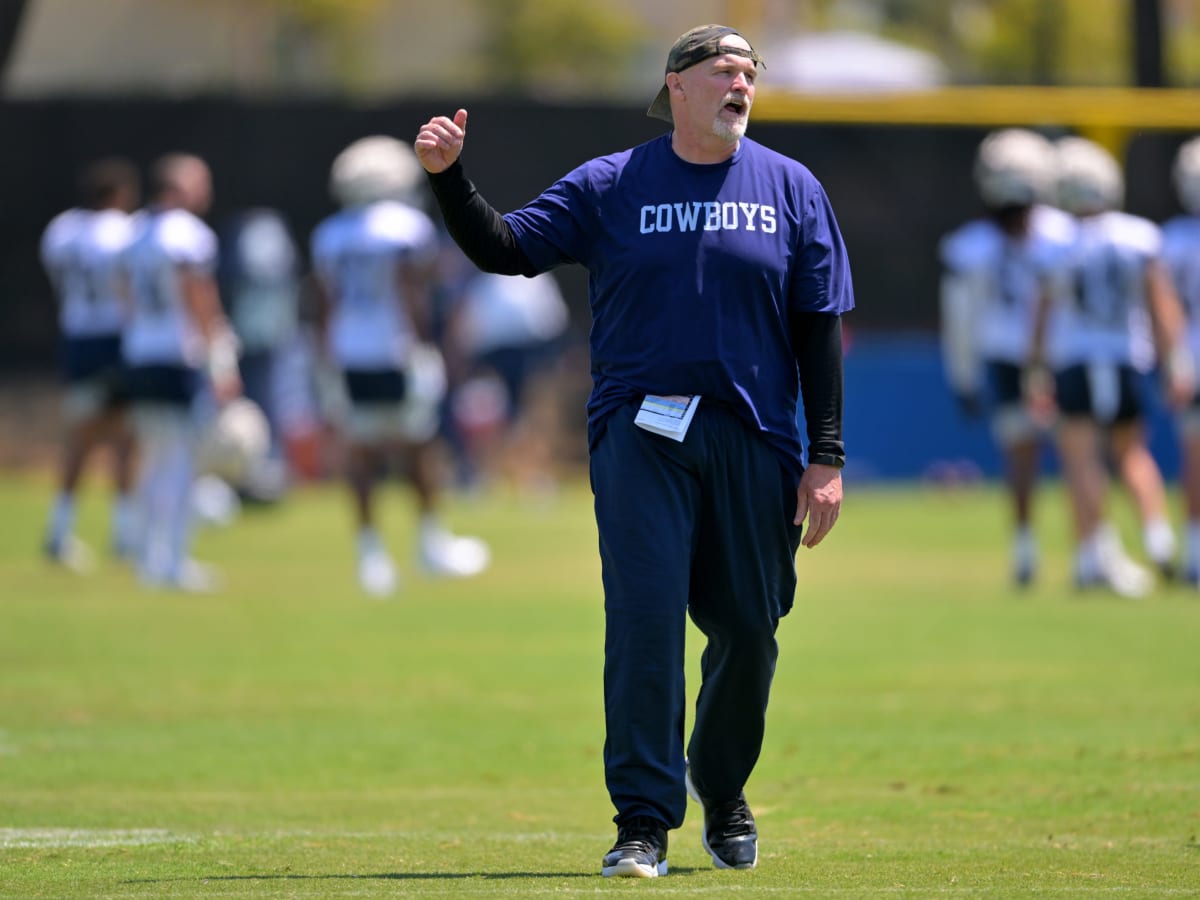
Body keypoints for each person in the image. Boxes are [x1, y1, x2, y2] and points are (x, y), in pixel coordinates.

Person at [416, 23, 853, 878]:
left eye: (749, 72)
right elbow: (508, 248)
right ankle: (644, 821)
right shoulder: (613, 183)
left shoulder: (792, 188)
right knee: (645, 620)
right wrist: (448, 179)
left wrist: (826, 455)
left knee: (748, 629)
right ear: (677, 86)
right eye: (724, 70)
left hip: (755, 436)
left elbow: (817, 328)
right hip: (639, 431)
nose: (741, 84)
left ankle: (722, 788)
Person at [310, 135, 490, 598]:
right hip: (396, 349)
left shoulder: (329, 234)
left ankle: (370, 554)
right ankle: (431, 544)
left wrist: (326, 354)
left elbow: (325, 302)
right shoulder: (405, 227)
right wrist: (428, 344)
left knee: (362, 451)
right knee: (420, 448)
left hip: (349, 351)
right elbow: (412, 291)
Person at [1031, 136, 1193, 597]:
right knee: (1131, 452)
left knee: (1080, 459)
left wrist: (1035, 371)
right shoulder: (1138, 236)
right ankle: (1157, 533)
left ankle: (1091, 554)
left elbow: (1041, 315)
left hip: (1076, 359)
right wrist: (1176, 363)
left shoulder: (1055, 241)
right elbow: (1162, 307)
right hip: (1124, 357)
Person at [938, 128, 1074, 586]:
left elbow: (960, 322)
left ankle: (1028, 545)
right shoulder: (1063, 233)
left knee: (1027, 455)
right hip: (1058, 355)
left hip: (1013, 358)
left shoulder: (972, 244)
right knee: (1081, 451)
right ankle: (1083, 547)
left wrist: (964, 378)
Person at [120, 153, 243, 591]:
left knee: (154, 457)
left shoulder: (133, 231)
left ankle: (145, 555)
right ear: (178, 187)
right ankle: (171, 560)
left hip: (139, 352)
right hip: (177, 356)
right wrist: (219, 358)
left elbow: (123, 295)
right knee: (180, 461)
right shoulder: (188, 234)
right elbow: (200, 298)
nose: (206, 190)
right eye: (199, 182)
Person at [40, 157, 142, 571]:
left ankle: (62, 528)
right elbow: (126, 286)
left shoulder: (61, 230)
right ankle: (121, 534)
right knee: (123, 437)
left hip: (76, 337)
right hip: (113, 339)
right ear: (119, 195)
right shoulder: (123, 231)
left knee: (82, 435)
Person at [444, 268, 571, 495]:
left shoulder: (538, 278)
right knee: (492, 419)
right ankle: (484, 475)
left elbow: (555, 319)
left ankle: (534, 476)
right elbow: (470, 325)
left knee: (533, 417)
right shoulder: (485, 278)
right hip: (494, 357)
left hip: (532, 352)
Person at [1161, 135, 1200, 583]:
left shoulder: (1170, 240)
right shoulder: (1167, 240)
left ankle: (1193, 553)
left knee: (1194, 456)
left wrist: (1174, 362)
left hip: (1189, 357)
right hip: (1188, 356)